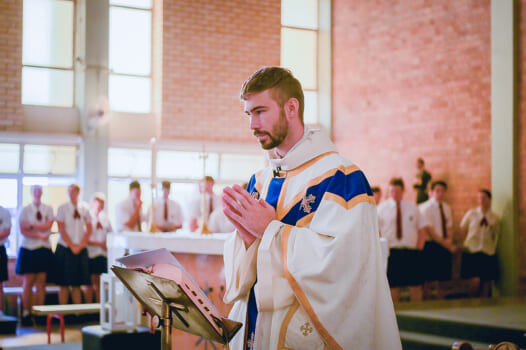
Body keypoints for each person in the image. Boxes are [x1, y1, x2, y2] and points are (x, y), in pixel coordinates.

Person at [221, 67, 401, 350]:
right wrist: (246, 242)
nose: (252, 125)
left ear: (291, 107)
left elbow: (345, 266)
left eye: (260, 112)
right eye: (248, 114)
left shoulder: (342, 177)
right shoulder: (260, 180)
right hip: (256, 329)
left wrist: (269, 230)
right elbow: (247, 274)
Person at [377, 178, 426, 302]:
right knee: (393, 286)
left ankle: (417, 314)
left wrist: (419, 249)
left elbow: (421, 229)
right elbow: (376, 231)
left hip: (411, 251)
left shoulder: (413, 207)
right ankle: (396, 317)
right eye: (392, 191)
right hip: (392, 252)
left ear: (403, 191)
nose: (395, 194)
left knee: (415, 285)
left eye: (397, 191)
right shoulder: (381, 209)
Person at [16, 185, 55, 325]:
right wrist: (39, 232)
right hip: (29, 249)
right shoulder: (25, 210)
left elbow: (48, 226)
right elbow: (23, 229)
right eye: (35, 191)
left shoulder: (48, 208)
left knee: (41, 282)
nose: (38, 193)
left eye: (40, 191)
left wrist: (31, 225)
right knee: (28, 282)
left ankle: (40, 313)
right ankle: (27, 312)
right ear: (31, 193)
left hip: (43, 249)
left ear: (42, 193)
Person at [419, 180, 457, 300]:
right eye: (437, 191)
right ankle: (427, 305)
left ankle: (440, 304)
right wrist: (448, 245)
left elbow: (450, 226)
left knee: (443, 279)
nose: (440, 193)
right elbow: (430, 231)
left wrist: (449, 240)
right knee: (428, 280)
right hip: (431, 245)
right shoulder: (425, 208)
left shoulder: (446, 208)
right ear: (431, 192)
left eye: (442, 191)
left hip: (444, 244)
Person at [55, 184, 92, 304]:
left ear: (78, 193)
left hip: (80, 248)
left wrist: (81, 245)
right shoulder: (62, 208)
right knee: (64, 284)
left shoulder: (85, 208)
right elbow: (61, 228)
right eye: (70, 192)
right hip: (65, 248)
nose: (72, 194)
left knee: (77, 284)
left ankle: (77, 315)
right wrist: (72, 246)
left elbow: (89, 228)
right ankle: (63, 315)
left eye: (74, 192)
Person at [459, 189, 499, 298]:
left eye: (484, 198)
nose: (481, 200)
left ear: (489, 199)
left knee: (486, 281)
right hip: (472, 250)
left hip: (487, 250)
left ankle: (484, 305)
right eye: (479, 198)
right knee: (474, 281)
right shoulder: (471, 213)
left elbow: (494, 233)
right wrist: (466, 243)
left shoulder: (494, 217)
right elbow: (463, 229)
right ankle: (471, 304)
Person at [84, 192, 112, 303]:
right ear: (92, 203)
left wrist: (105, 244)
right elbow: (84, 236)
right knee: (90, 283)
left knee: (100, 283)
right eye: (98, 203)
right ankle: (88, 308)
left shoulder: (105, 218)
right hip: (91, 253)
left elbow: (110, 234)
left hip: (102, 254)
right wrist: (98, 243)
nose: (100, 205)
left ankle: (98, 308)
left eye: (102, 203)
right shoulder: (87, 217)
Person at [0, 205, 11, 316]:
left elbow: (6, 231)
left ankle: (0, 314)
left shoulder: (4, 212)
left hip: (0, 248)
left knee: (0, 284)